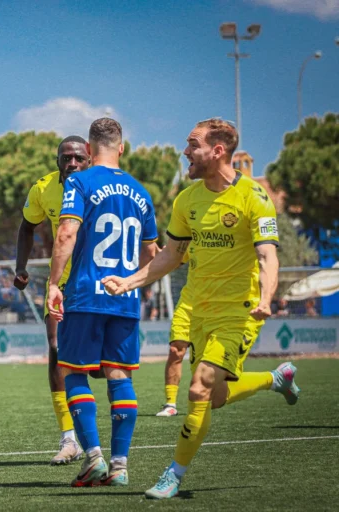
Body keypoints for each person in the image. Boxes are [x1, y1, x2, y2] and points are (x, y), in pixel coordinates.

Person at [101, 119, 299, 499]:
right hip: (199, 310)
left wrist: (266, 298)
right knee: (217, 396)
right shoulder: (186, 200)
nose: (185, 152)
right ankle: (277, 379)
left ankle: (173, 475)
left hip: (239, 311)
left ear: (218, 150)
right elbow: (170, 256)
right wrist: (128, 281)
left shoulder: (254, 198)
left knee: (199, 387)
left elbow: (267, 257)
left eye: (192, 145)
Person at [47, 118, 159, 488]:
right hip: (125, 297)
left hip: (85, 294)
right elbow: (151, 254)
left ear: (90, 150)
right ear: (122, 148)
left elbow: (66, 232)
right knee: (119, 374)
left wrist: (53, 283)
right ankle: (121, 466)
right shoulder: (141, 193)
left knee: (74, 371)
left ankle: (93, 458)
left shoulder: (79, 181)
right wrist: (134, 285)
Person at [13, 135, 90, 465]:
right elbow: (26, 227)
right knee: (57, 350)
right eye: (65, 158)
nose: (71, 163)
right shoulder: (43, 189)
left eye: (78, 158)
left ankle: (98, 438)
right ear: (57, 160)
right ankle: (69, 438)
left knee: (100, 367)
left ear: (88, 160)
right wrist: (20, 266)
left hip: (96, 283)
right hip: (60, 285)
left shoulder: (100, 185)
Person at [156, 271, 192, 417]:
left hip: (217, 305)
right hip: (189, 302)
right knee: (175, 350)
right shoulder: (190, 246)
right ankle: (171, 404)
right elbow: (172, 256)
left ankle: (268, 379)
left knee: (204, 358)